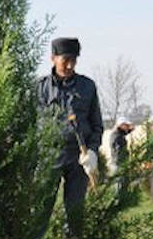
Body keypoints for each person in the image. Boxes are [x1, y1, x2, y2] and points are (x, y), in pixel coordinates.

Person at [37, 36, 104, 212]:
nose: (69, 66)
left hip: (79, 157)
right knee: (40, 210)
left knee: (75, 211)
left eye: (73, 61)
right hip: (48, 155)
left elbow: (97, 125)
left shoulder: (87, 86)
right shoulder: (39, 88)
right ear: (53, 58)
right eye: (65, 60)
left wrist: (92, 151)